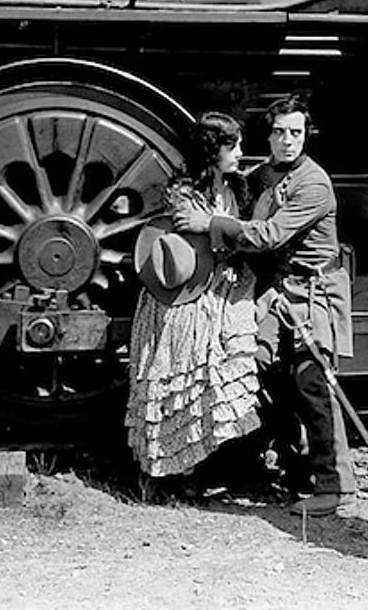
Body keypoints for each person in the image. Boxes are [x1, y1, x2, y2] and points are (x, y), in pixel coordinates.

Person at [174, 94, 357, 517]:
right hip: (276, 292)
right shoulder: (261, 177)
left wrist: (213, 224)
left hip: (314, 293)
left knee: (314, 383)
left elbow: (270, 234)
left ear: (305, 135)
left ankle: (336, 485)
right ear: (269, 135)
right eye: (279, 132)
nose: (287, 141)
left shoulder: (314, 184)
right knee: (258, 371)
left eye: (296, 133)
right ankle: (293, 470)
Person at [126, 112, 261, 481]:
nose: (240, 153)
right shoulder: (186, 195)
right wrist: (231, 232)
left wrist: (227, 230)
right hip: (190, 294)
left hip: (227, 290)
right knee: (182, 382)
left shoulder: (236, 189)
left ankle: (215, 464)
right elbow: (206, 242)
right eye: (231, 146)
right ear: (210, 151)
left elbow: (231, 236)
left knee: (223, 380)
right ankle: (172, 472)